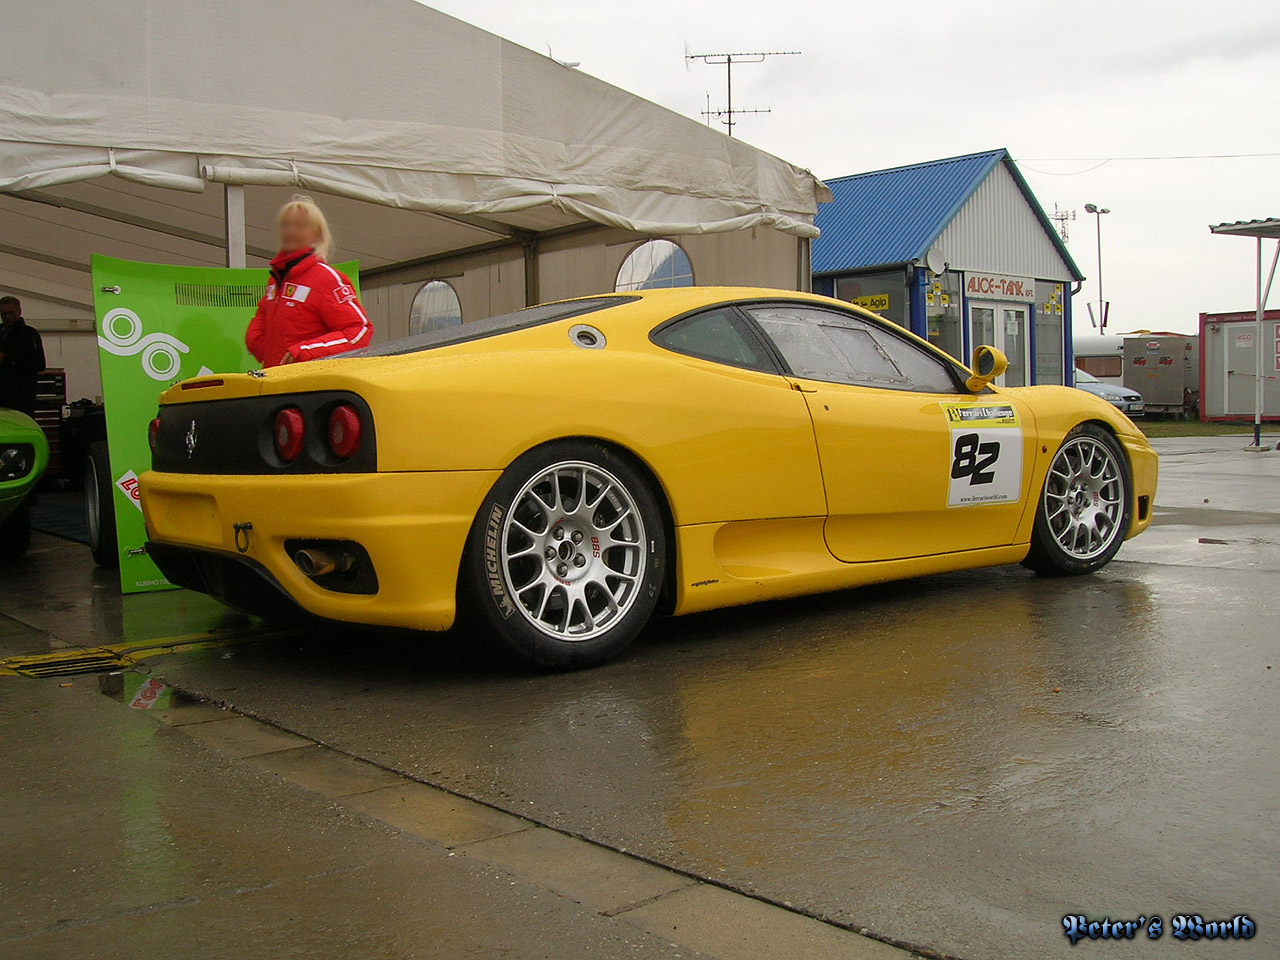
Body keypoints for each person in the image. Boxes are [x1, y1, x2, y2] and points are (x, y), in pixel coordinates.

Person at [245, 196, 373, 367]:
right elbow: (261, 320)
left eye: (299, 225)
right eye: (285, 225)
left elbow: (359, 331)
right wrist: (258, 344)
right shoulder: (277, 279)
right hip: (276, 382)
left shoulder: (326, 278)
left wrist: (306, 351)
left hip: (311, 385)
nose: (290, 231)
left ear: (317, 234)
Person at [0, 296, 47, 416]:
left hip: (21, 395)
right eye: (4, 314)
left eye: (11, 313)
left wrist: (8, 360)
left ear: (19, 312)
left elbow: (39, 363)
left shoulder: (29, 334)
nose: (7, 317)